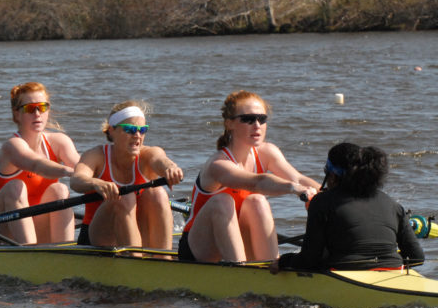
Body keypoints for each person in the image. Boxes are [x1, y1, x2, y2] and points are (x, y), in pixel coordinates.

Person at [181, 90, 319, 263]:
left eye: (262, 119)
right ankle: (239, 270)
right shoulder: (218, 164)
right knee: (223, 201)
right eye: (248, 119)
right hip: (199, 247)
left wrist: (329, 195)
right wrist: (293, 188)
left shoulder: (268, 151)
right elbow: (257, 183)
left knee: (257, 201)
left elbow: (298, 179)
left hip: (236, 237)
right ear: (229, 124)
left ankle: (270, 266)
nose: (257, 125)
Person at [272, 143, 424, 272]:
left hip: (344, 275)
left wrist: (284, 261)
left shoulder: (322, 202)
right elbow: (417, 257)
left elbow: (309, 260)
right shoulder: (393, 205)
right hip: (393, 271)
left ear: (332, 175)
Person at [71, 100, 184, 249]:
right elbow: (76, 180)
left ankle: (162, 261)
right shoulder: (97, 155)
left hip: (138, 232)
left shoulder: (149, 154)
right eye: (130, 129)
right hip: (98, 235)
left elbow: (161, 161)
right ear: (112, 131)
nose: (137, 135)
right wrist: (95, 183)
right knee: (125, 196)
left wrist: (171, 169)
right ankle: (135, 261)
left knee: (158, 194)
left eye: (142, 130)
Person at [0, 82, 80, 245]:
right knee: (16, 187)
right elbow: (37, 165)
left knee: (60, 190)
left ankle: (64, 252)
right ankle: (30, 253)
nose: (37, 113)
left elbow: (82, 166)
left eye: (42, 107)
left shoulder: (60, 141)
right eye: (29, 108)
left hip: (36, 225)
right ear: (16, 114)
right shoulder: (12, 146)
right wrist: (70, 172)